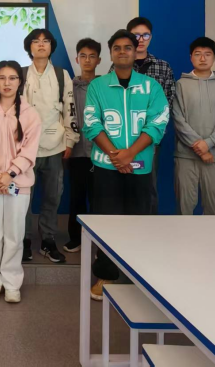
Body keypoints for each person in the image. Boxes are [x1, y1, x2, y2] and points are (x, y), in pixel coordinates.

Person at [84, 30, 170, 300]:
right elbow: (92, 123)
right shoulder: (98, 86)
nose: (122, 52)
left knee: (138, 222)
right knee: (107, 222)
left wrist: (129, 154)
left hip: (140, 167)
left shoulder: (151, 86)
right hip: (105, 167)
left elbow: (158, 123)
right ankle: (106, 274)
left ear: (136, 51)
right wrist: (115, 156)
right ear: (111, 53)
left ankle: (137, 277)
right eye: (117, 48)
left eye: (127, 47)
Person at [0, 61, 41, 304]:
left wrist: (9, 174)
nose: (7, 83)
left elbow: (30, 150)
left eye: (12, 78)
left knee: (14, 235)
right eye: (2, 78)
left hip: (18, 183)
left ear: (20, 82)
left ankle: (12, 283)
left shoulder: (30, 113)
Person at [21, 29, 79, 264]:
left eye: (45, 41)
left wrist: (70, 139)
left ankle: (48, 240)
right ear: (29, 47)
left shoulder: (61, 75)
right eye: (36, 41)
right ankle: (24, 240)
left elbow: (70, 108)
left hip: (54, 145)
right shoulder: (20, 74)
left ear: (51, 47)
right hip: (24, 148)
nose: (41, 45)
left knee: (52, 197)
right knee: (23, 198)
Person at [173, 37, 215, 216]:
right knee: (184, 208)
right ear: (191, 57)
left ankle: (210, 237)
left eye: (207, 54)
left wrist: (208, 144)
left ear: (214, 57)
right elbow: (178, 119)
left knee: (212, 208)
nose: (203, 58)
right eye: (198, 54)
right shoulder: (180, 85)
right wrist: (201, 148)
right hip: (186, 156)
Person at [124, 16, 176, 215]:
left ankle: (150, 227)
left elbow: (168, 102)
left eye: (145, 35)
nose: (141, 39)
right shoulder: (119, 65)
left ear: (151, 37)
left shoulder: (163, 67)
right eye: (136, 35)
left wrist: (149, 131)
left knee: (149, 185)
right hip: (124, 138)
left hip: (150, 139)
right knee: (124, 185)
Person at [64, 38, 102, 253]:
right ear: (77, 59)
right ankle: (75, 238)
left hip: (101, 151)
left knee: (99, 198)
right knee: (77, 196)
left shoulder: (105, 86)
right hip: (76, 151)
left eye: (92, 56)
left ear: (99, 60)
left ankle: (99, 241)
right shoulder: (68, 86)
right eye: (83, 56)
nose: (87, 60)